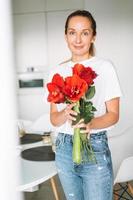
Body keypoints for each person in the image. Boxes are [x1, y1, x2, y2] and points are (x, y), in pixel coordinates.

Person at [47, 10, 122, 200]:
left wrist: (91, 124)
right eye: (72, 32)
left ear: (93, 36)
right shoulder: (57, 71)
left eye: (85, 33)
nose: (78, 39)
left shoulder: (105, 67)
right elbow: (54, 120)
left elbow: (113, 114)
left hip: (94, 147)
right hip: (63, 149)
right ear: (66, 36)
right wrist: (65, 112)